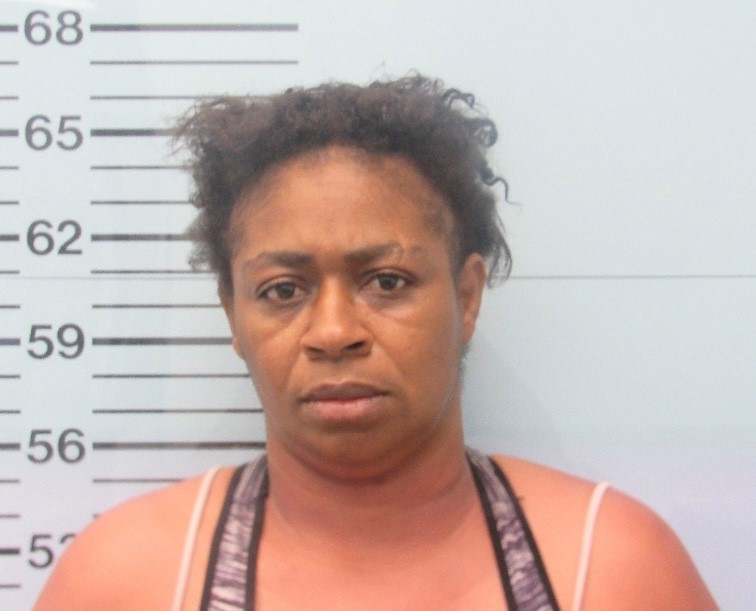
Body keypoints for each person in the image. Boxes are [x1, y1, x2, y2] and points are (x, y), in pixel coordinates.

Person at [34, 76, 717, 610]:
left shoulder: (611, 568)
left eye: (387, 281)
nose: (334, 332)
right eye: (282, 289)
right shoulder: (126, 580)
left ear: (467, 296)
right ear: (233, 315)